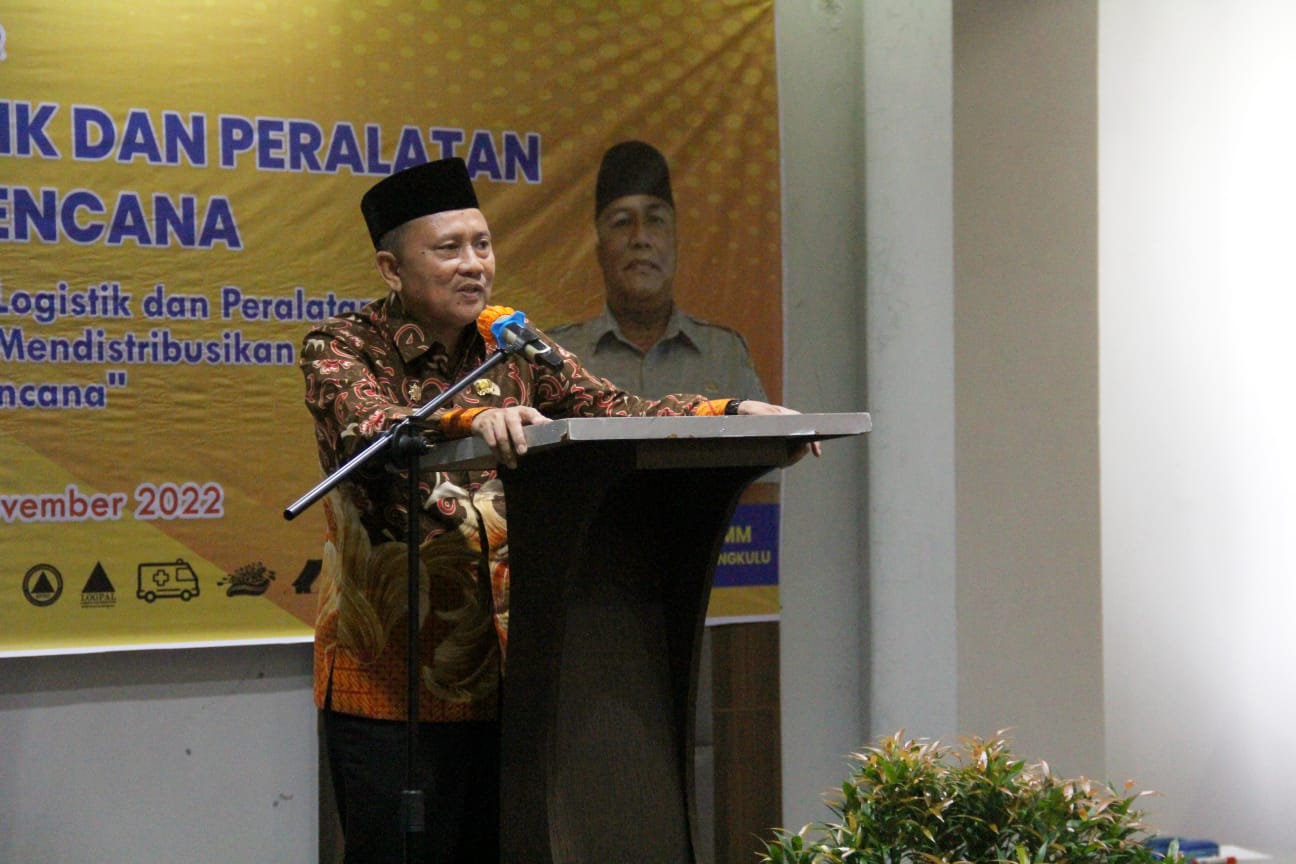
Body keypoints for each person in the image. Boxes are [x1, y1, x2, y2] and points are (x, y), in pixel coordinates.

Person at [299, 157, 813, 864]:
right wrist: (470, 419)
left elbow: (610, 407)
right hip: (393, 687)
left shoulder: (510, 339)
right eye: (448, 249)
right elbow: (369, 425)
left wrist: (727, 411)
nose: (474, 264)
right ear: (392, 269)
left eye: (482, 244)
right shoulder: (342, 345)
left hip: (514, 680)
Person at [549, 140, 769, 401]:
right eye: (622, 222)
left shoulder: (724, 353)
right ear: (598, 248)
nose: (640, 238)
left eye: (655, 220)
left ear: (675, 239)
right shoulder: (559, 356)